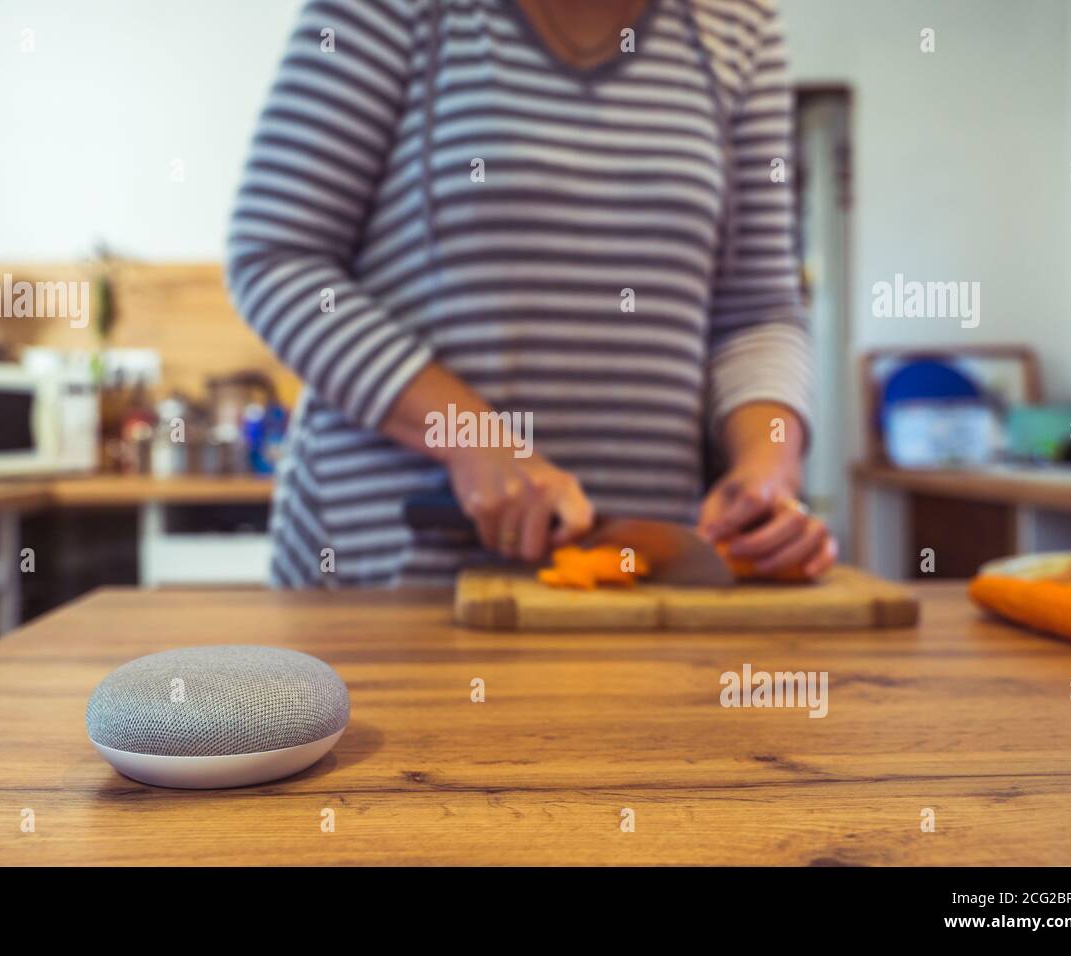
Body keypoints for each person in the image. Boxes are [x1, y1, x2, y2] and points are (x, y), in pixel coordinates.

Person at [228, 0, 837, 587]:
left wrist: (767, 470)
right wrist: (472, 439)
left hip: (639, 580)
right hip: (393, 570)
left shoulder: (737, 22)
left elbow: (759, 314)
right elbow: (276, 257)